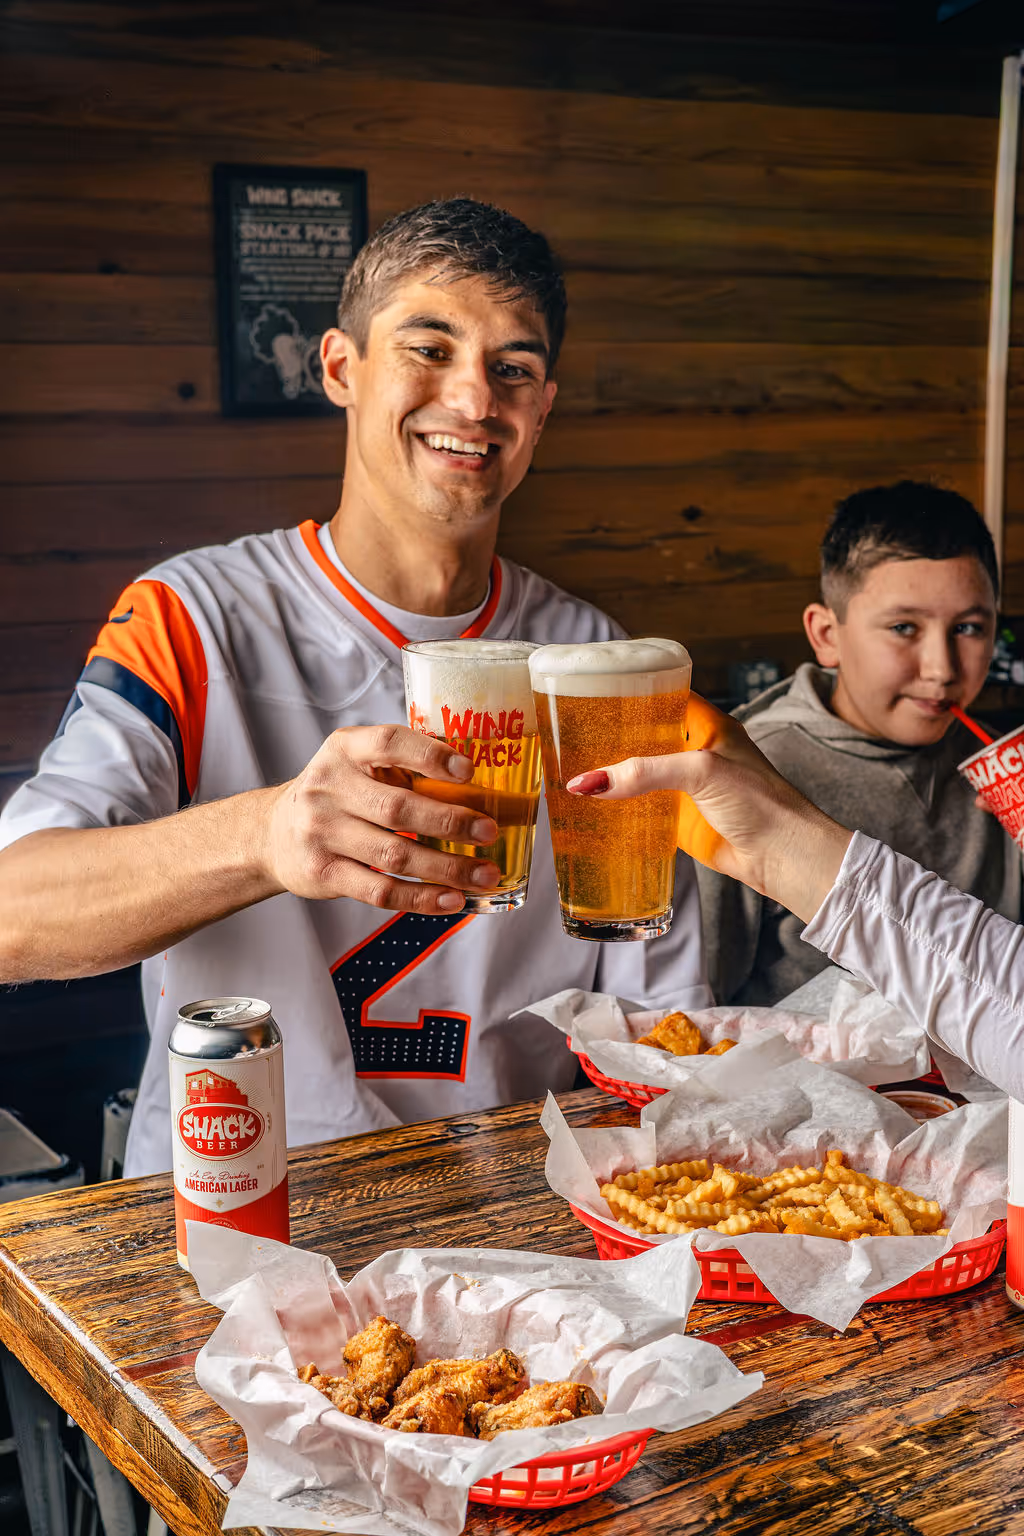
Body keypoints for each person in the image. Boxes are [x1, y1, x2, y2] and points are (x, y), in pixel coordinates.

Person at [0, 199, 710, 1176]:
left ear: (541, 409)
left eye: (513, 370)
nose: (473, 399)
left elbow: (656, 1028)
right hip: (247, 1212)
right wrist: (267, 834)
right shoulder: (195, 617)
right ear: (339, 367)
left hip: (513, 1220)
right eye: (429, 347)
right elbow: (13, 914)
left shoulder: (596, 664)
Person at [567, 696, 1024, 1103]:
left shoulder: (969, 751)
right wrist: (785, 848)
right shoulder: (778, 746)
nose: (940, 667)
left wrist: (785, 848)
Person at [697, 481, 1018, 1006]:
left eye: (968, 628)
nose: (941, 669)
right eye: (903, 627)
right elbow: (695, 1010)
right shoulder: (745, 770)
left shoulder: (1000, 767)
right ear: (826, 635)